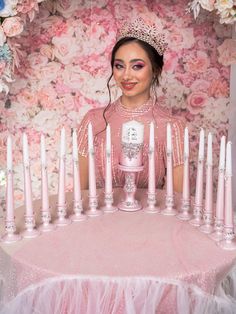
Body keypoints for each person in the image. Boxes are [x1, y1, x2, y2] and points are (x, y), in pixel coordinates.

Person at [77, 17, 185, 193]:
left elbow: (179, 200)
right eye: (119, 66)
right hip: (101, 219)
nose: (126, 75)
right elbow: (79, 194)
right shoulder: (93, 121)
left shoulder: (172, 127)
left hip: (153, 220)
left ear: (155, 70)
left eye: (137, 66)